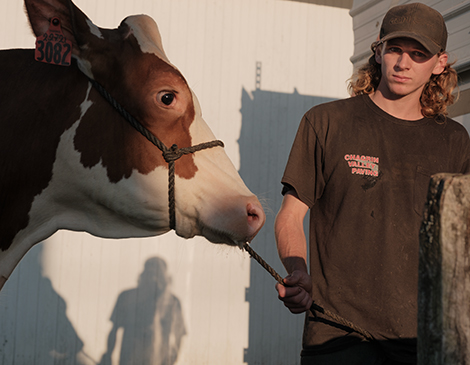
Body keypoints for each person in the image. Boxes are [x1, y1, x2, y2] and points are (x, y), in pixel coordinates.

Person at [274, 3, 470, 365]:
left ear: (439, 63)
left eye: (418, 53)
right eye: (395, 49)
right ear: (377, 51)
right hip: (337, 335)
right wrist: (298, 272)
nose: (403, 63)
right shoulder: (326, 123)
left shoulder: (455, 141)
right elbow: (290, 214)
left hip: (423, 336)